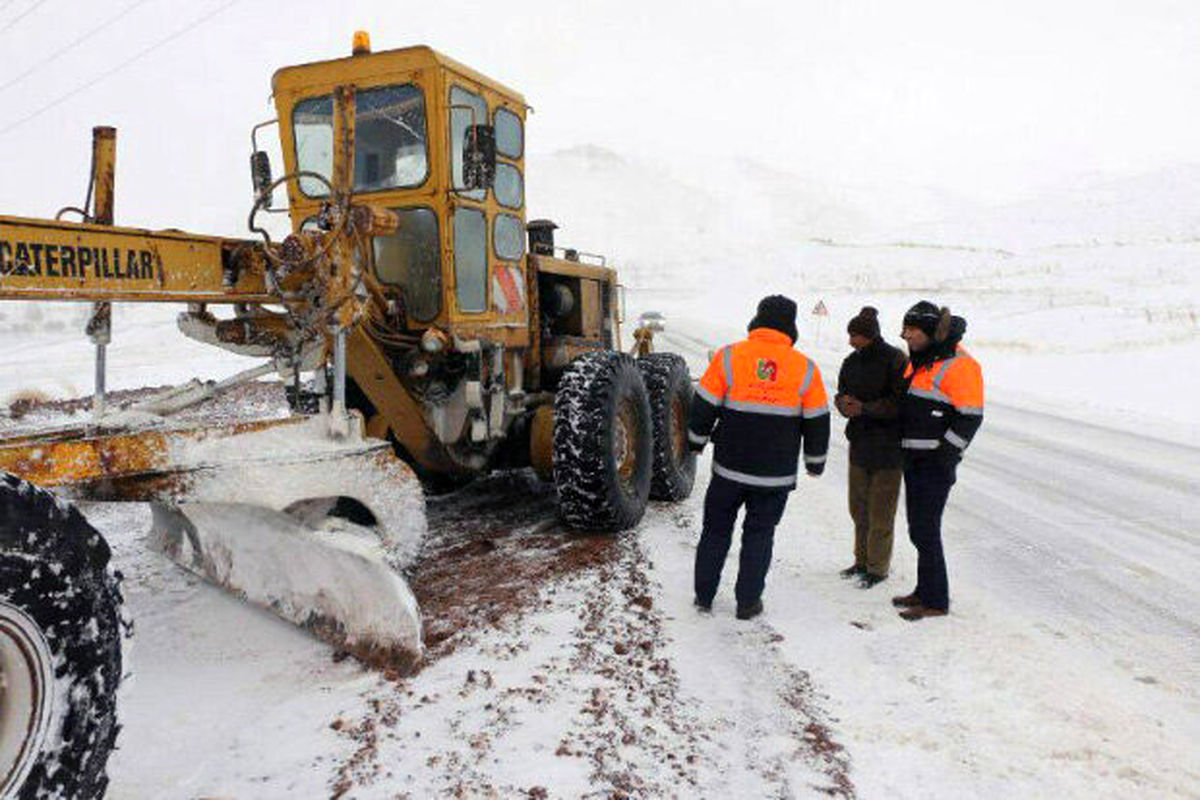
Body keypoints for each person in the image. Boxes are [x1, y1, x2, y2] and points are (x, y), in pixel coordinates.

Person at [687, 295, 830, 620]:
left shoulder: (729, 357)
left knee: (715, 531)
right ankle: (748, 603)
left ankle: (704, 596)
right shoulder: (804, 368)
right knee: (760, 535)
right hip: (774, 476)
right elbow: (818, 419)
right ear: (790, 326)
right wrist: (814, 462)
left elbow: (704, 405)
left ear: (758, 319)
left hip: (729, 470)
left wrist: (696, 443)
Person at [894, 301, 984, 621]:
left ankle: (936, 601)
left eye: (912, 331)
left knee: (926, 529)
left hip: (933, 463)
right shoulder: (922, 360)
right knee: (917, 529)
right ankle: (923, 589)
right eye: (905, 330)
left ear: (931, 332)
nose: (906, 337)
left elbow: (970, 417)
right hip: (914, 458)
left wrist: (945, 455)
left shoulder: (960, 365)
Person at [833, 307, 908, 589]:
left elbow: (900, 403)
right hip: (860, 443)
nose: (851, 340)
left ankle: (877, 568)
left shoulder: (895, 359)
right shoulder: (850, 362)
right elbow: (840, 392)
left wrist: (864, 408)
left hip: (888, 448)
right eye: (850, 335)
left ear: (869, 336)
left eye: (855, 335)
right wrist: (843, 404)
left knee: (881, 512)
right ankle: (861, 561)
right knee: (858, 507)